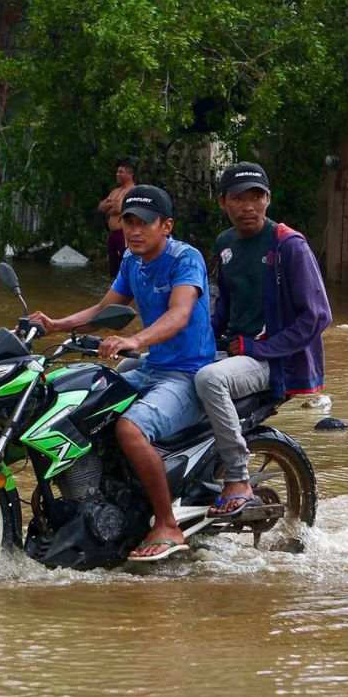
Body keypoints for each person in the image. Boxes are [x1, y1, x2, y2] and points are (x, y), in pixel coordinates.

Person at [29, 185, 215, 562]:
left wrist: (136, 340)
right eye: (128, 222)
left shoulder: (186, 258)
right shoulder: (133, 261)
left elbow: (179, 314)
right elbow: (104, 309)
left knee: (130, 427)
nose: (134, 231)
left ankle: (166, 524)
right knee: (79, 404)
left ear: (166, 226)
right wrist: (54, 325)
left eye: (144, 223)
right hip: (151, 368)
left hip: (186, 374)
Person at [194, 162, 331, 518]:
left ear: (268, 200)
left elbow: (317, 316)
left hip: (274, 360)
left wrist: (260, 347)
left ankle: (238, 477)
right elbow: (223, 305)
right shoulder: (225, 244)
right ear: (223, 202)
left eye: (256, 197)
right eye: (238, 198)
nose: (248, 206)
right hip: (237, 350)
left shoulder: (289, 245)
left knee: (210, 379)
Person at [97, 160, 137, 278]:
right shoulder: (115, 191)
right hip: (112, 234)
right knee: (113, 267)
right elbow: (101, 207)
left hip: (123, 233)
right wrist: (113, 205)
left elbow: (119, 208)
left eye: (121, 172)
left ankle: (129, 292)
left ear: (130, 174)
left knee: (125, 263)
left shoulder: (133, 190)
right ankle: (115, 292)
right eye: (117, 172)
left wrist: (111, 205)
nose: (117, 174)